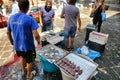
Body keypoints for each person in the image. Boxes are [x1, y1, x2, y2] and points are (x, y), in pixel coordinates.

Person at [7, 0, 40, 79]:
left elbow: (8, 32)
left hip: (18, 45)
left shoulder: (11, 18)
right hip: (28, 46)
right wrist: (38, 41)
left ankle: (23, 71)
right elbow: (36, 34)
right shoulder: (29, 19)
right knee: (29, 60)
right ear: (28, 7)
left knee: (22, 57)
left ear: (19, 6)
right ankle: (29, 75)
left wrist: (12, 42)